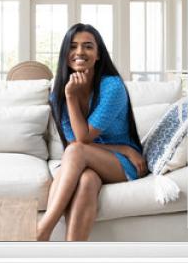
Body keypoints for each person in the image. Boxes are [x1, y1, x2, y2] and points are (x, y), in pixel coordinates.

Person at [37, 23, 148, 241]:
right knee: (87, 180)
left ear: (98, 54)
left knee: (77, 151)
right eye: (73, 46)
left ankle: (43, 230)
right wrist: (68, 95)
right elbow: (74, 143)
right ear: (65, 54)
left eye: (88, 46)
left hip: (122, 164)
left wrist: (71, 97)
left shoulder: (111, 86)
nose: (80, 52)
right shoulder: (58, 94)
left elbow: (82, 139)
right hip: (90, 159)